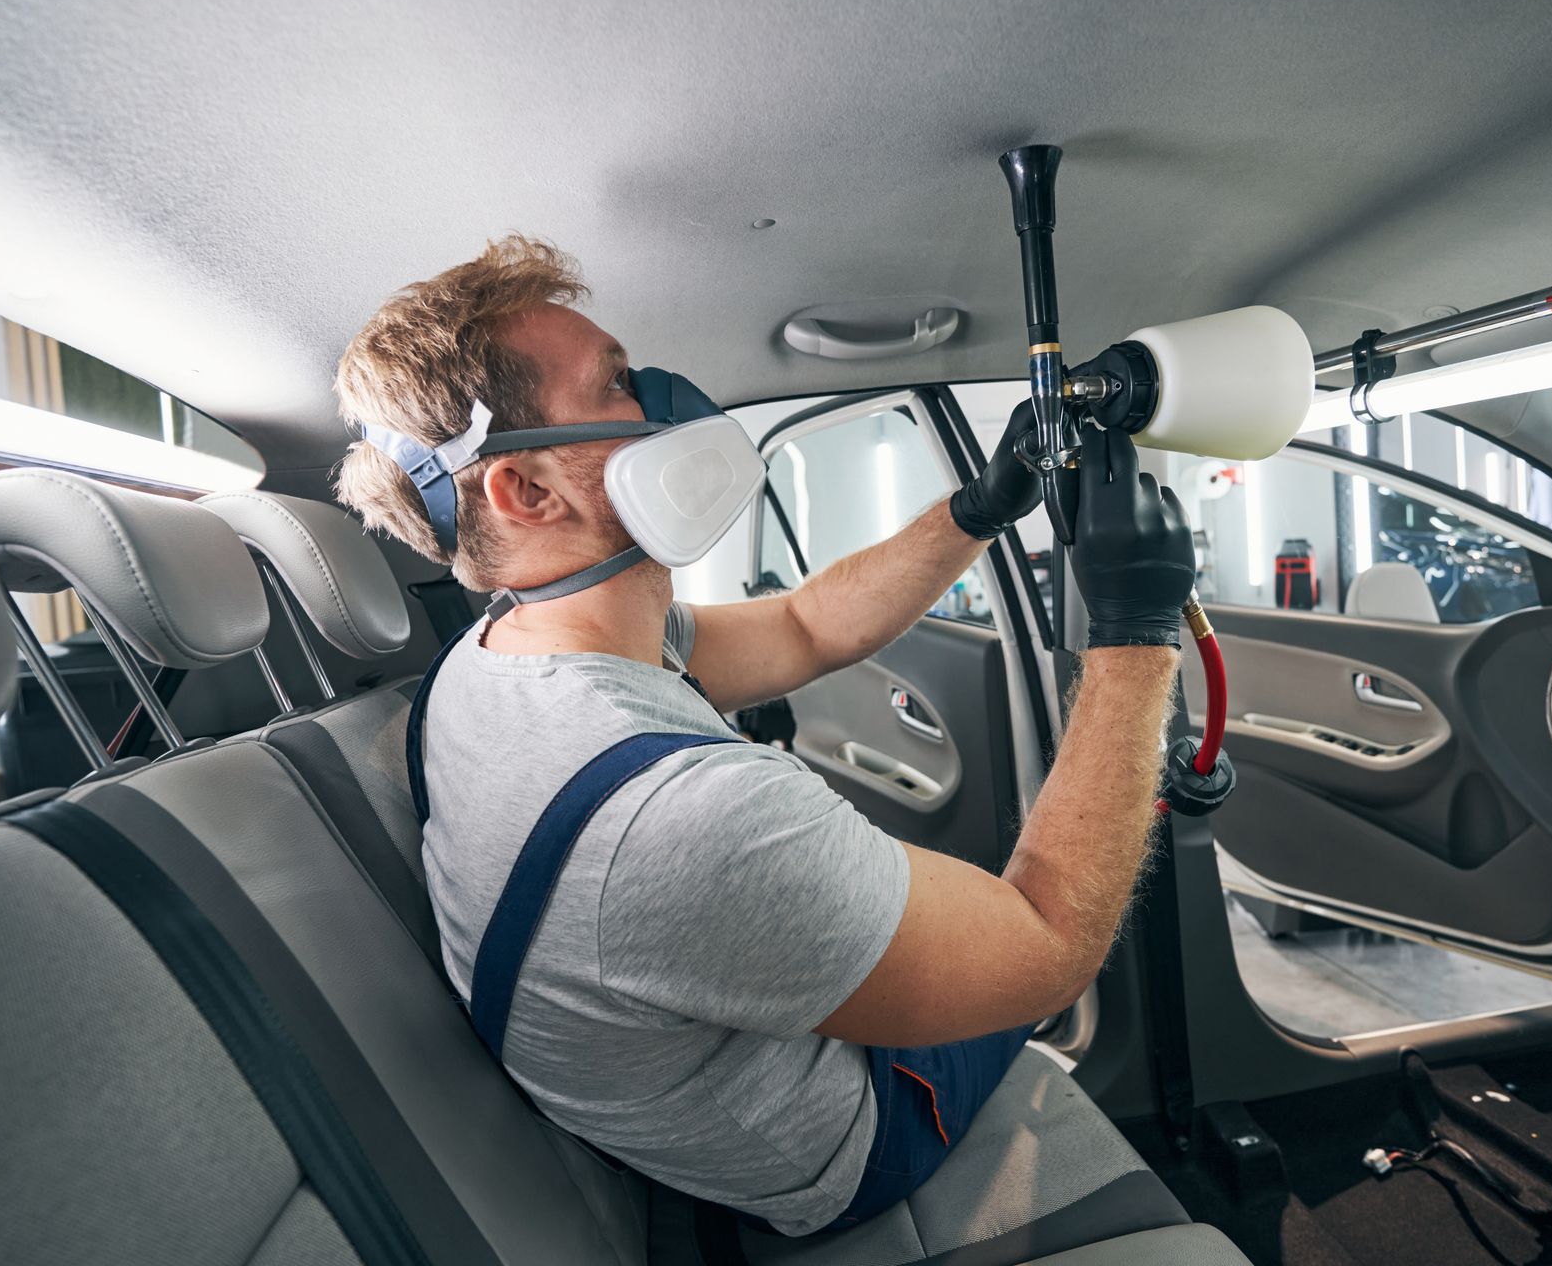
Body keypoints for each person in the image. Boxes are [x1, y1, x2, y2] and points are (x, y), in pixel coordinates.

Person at [334, 236, 1193, 1237]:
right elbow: (1050, 948)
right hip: (843, 1144)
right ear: (527, 492)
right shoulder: (679, 819)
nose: (663, 398)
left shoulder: (497, 661)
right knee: (1031, 930)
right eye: (618, 383)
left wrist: (978, 508)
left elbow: (803, 626)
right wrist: (1138, 631)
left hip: (694, 1069)